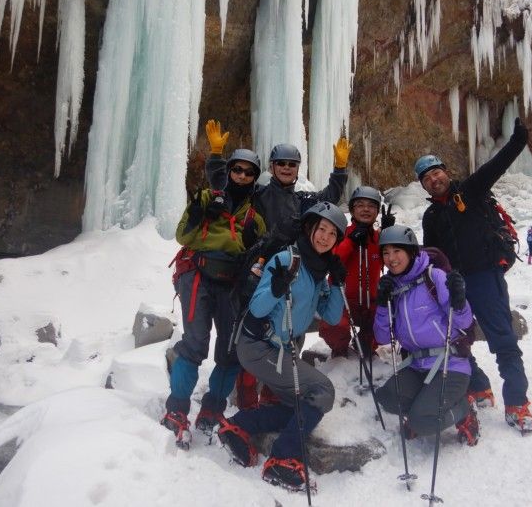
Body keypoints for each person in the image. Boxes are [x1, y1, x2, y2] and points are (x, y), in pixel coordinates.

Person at [204, 120, 351, 409]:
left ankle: (273, 393)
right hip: (258, 272)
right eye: (281, 163)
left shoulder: (303, 201)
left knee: (292, 334)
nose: (286, 168)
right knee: (253, 330)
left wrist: (340, 170)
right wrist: (216, 158)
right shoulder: (257, 195)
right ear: (272, 167)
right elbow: (227, 188)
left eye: (292, 164)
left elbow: (329, 199)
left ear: (298, 169)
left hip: (295, 275)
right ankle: (245, 396)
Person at [215, 201, 348, 491]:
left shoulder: (318, 271)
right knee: (323, 391)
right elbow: (259, 308)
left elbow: (332, 315)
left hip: (277, 349)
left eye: (332, 234)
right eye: (321, 229)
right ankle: (283, 458)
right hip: (258, 345)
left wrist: (337, 283)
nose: (325, 237)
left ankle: (240, 425)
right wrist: (276, 288)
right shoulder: (287, 259)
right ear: (311, 229)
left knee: (302, 407)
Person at [416, 117, 532, 434]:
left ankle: (517, 403)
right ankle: (480, 385)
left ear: (446, 173)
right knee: (455, 341)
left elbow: (495, 167)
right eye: (426, 178)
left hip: (485, 278)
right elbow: (430, 255)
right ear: (423, 185)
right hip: (456, 285)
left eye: (436, 172)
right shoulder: (431, 216)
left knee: (503, 340)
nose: (433, 179)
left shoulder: (469, 191)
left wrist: (517, 142)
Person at [160, 148, 267, 449]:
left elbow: (258, 255)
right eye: (237, 170)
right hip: (197, 274)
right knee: (195, 342)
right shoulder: (206, 199)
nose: (242, 176)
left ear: (254, 178)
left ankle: (213, 407)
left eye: (249, 172)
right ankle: (177, 407)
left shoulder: (253, 219)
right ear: (230, 171)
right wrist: (202, 212)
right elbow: (183, 236)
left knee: (230, 349)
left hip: (231, 283)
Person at [372, 225, 479, 445]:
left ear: (411, 252)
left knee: (421, 422)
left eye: (397, 251)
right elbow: (382, 337)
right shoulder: (393, 288)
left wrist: (459, 302)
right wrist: (382, 304)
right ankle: (427, 408)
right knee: (388, 398)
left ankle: (464, 408)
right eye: (385, 252)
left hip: (451, 364)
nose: (391, 258)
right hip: (417, 365)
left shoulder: (434, 276)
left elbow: (464, 322)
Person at [319, 186, 396, 358]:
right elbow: (333, 260)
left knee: (391, 318)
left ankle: (366, 342)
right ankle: (339, 349)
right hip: (342, 299)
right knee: (334, 325)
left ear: (377, 211)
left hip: (371, 300)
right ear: (352, 210)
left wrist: (389, 236)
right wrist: (351, 241)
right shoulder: (340, 234)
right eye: (360, 205)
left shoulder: (379, 238)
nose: (366, 209)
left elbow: (395, 263)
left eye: (371, 205)